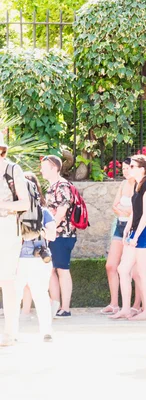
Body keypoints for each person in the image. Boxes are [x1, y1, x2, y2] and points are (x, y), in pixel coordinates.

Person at [110, 155, 146, 321]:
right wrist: (128, 230)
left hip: (145, 233)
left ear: (142, 169)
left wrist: (136, 235)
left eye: (132, 166)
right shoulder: (138, 185)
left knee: (143, 272)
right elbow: (135, 211)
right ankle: (125, 309)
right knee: (123, 269)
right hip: (135, 232)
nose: (129, 169)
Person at [15, 172, 56, 342]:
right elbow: (52, 236)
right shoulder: (44, 212)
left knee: (14, 297)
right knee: (41, 296)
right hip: (39, 259)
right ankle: (46, 331)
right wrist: (38, 230)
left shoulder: (12, 212)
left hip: (17, 260)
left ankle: (12, 332)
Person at [0, 135, 30, 346]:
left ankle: (10, 332)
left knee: (6, 280)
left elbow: (24, 204)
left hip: (6, 227)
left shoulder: (12, 170)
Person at [102, 157, 139, 315]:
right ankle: (114, 303)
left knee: (136, 269)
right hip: (120, 225)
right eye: (123, 169)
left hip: (135, 228)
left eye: (128, 168)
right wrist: (126, 211)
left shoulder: (140, 185)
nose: (125, 172)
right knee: (111, 265)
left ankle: (136, 305)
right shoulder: (123, 184)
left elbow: (139, 211)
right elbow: (114, 206)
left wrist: (125, 211)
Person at [41, 155, 76, 318]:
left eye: (44, 167)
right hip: (55, 234)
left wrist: (51, 229)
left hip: (62, 234)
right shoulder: (53, 186)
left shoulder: (62, 186)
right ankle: (55, 306)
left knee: (62, 269)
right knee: (52, 270)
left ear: (54, 168)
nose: (41, 170)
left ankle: (65, 307)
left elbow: (62, 212)